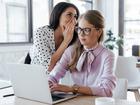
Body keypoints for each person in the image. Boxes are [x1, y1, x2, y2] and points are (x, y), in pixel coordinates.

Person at [48, 10, 116, 97]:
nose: (81, 34)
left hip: (96, 101)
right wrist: (49, 83)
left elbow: (107, 91)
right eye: (79, 29)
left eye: (86, 30)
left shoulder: (108, 56)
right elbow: (54, 76)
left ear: (99, 32)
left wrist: (72, 89)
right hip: (76, 101)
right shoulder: (71, 51)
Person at [29, 2, 79, 72]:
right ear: (58, 16)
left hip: (59, 77)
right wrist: (66, 41)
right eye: (69, 15)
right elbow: (48, 67)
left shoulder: (75, 36)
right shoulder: (41, 32)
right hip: (37, 74)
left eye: (75, 16)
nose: (74, 21)